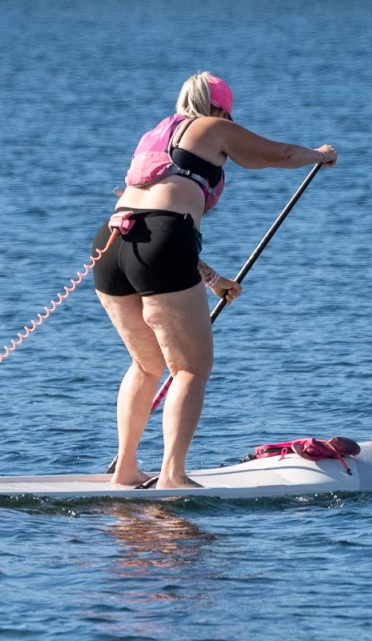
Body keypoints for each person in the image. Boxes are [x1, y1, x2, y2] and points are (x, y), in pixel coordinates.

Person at [93, 72, 337, 488]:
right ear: (220, 108)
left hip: (112, 243)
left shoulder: (157, 134)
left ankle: (126, 470)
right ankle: (173, 475)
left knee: (147, 364)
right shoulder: (213, 127)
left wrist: (210, 278)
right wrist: (320, 155)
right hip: (161, 243)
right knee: (190, 368)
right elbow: (275, 154)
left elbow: (153, 223)